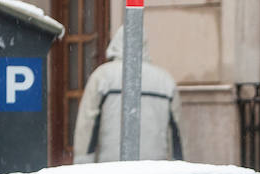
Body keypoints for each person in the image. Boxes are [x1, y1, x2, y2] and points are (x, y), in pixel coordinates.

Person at [72, 26, 182, 163]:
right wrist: (179, 163)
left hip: (111, 168)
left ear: (115, 43)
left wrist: (83, 165)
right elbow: (178, 134)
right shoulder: (166, 81)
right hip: (154, 168)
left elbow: (87, 126)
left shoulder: (103, 77)